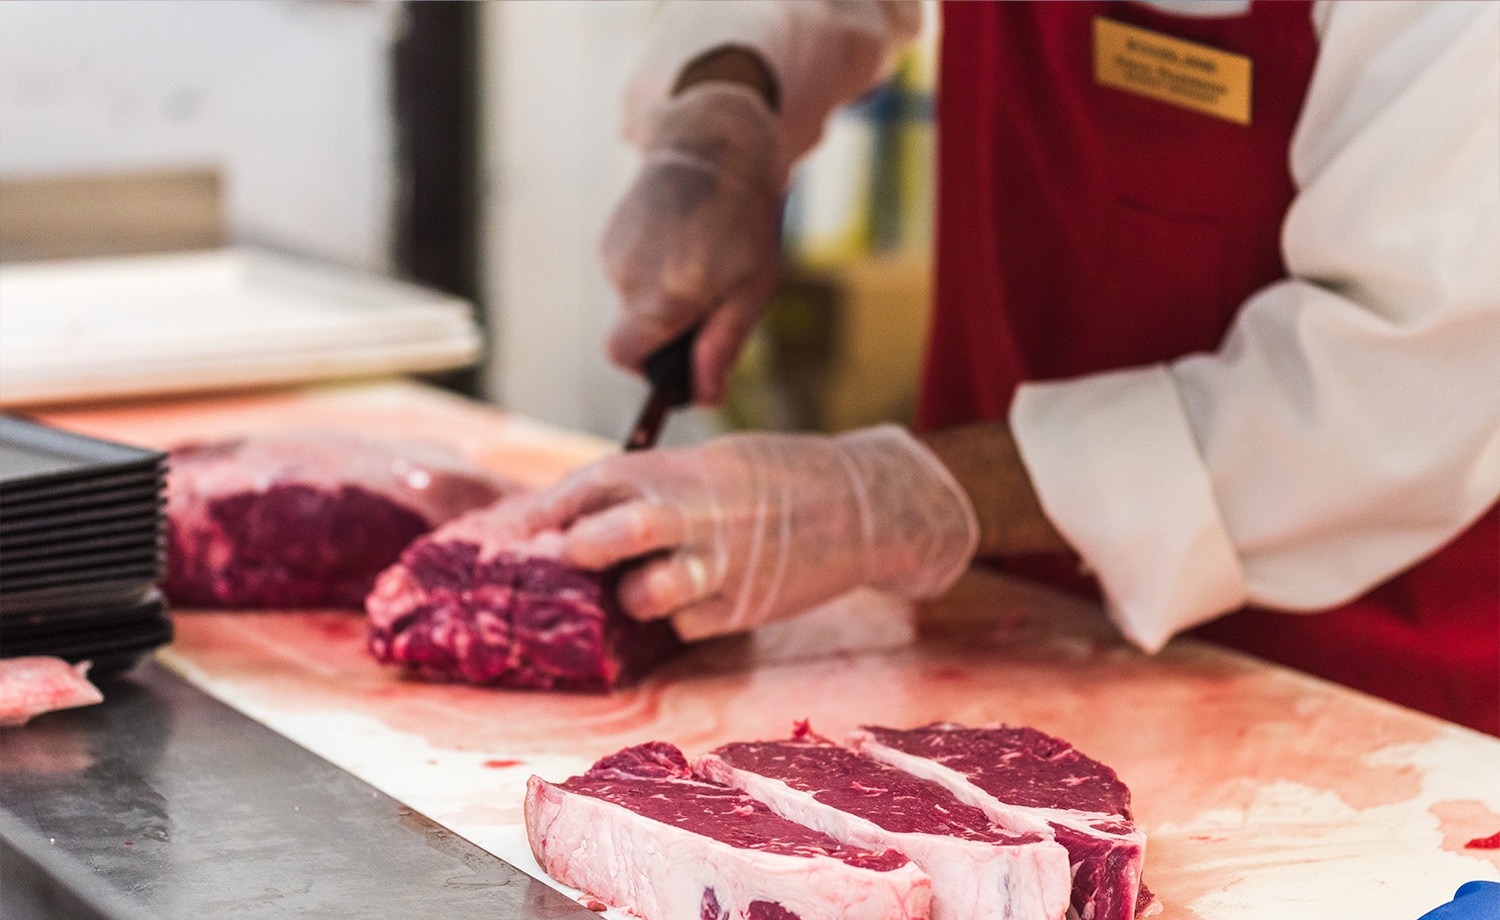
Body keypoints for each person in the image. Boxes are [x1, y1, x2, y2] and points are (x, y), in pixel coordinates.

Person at [499, 1, 1500, 734]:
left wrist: (895, 499)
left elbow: (1396, 382)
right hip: (1003, 621)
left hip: (1376, 682)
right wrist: (727, 101)